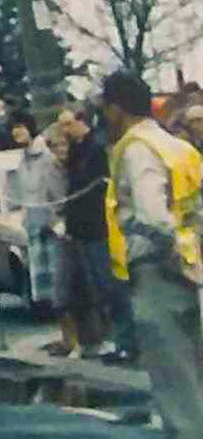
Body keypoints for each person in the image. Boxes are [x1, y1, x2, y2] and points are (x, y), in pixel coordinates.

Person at [100, 70, 203, 439]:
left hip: (162, 276)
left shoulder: (137, 151)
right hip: (195, 272)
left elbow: (154, 218)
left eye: (105, 107)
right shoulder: (180, 148)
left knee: (181, 396)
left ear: (117, 107)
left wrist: (163, 250)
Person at [57, 106, 138, 361]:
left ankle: (126, 341)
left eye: (68, 125)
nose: (65, 131)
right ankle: (114, 338)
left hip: (99, 228)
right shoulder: (77, 150)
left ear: (83, 122)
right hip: (82, 230)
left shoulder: (97, 150)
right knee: (98, 289)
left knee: (112, 286)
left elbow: (91, 188)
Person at [8, 110, 66, 334]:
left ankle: (66, 332)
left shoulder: (47, 156)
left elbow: (57, 189)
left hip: (52, 225)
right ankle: (54, 327)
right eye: (13, 128)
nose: (16, 132)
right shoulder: (20, 160)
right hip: (32, 224)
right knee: (40, 279)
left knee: (59, 278)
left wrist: (56, 219)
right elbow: (15, 194)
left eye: (20, 126)